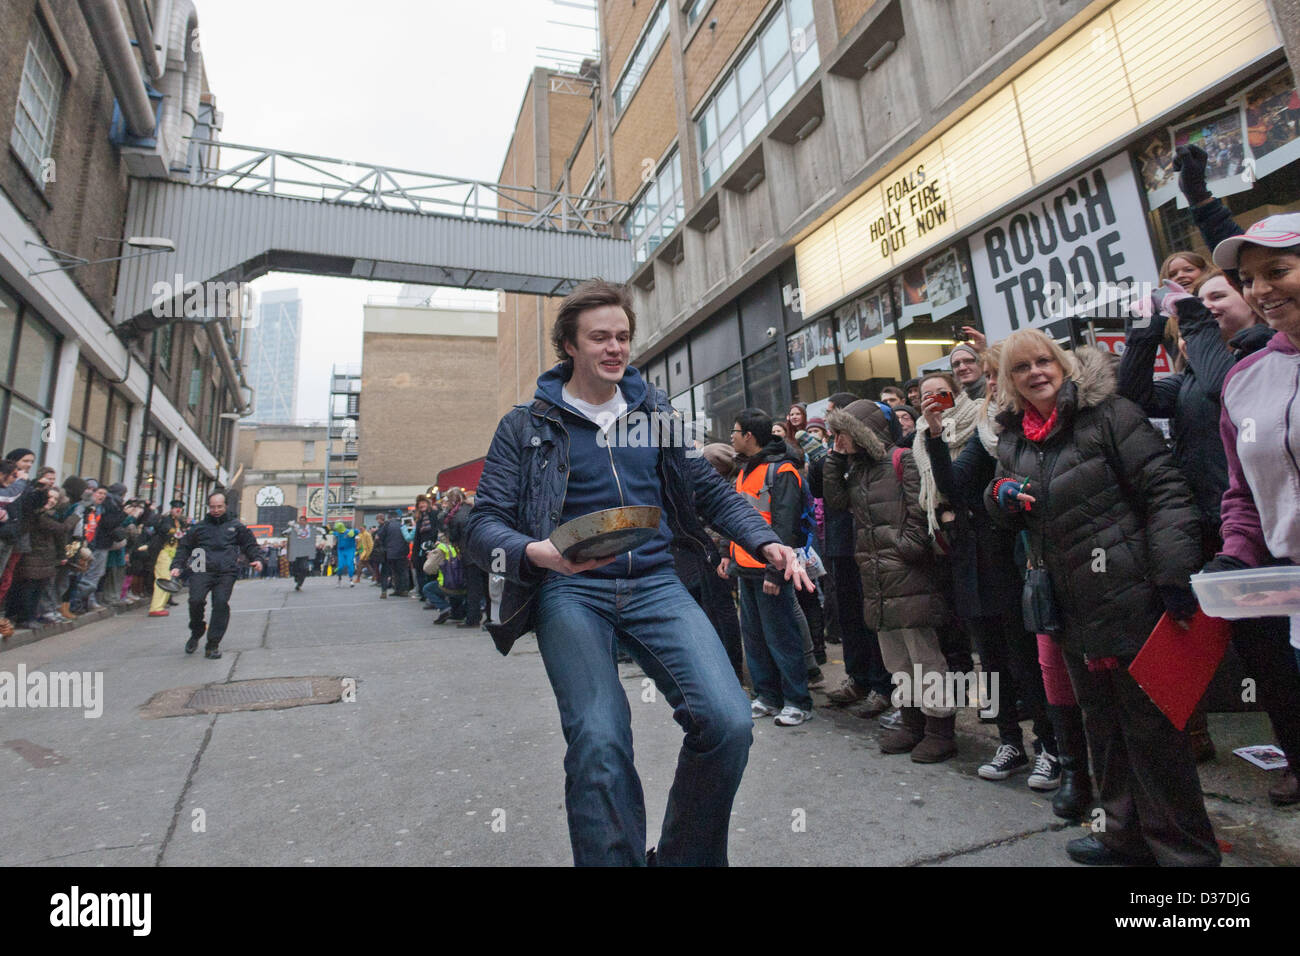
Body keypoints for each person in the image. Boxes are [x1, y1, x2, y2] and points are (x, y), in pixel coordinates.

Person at [465, 278, 810, 866]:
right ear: (569, 346)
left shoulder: (656, 413)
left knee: (727, 723)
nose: (614, 347)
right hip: (570, 591)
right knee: (599, 739)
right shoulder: (524, 426)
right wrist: (537, 552)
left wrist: (765, 537)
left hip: (656, 585)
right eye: (599, 337)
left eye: (622, 336)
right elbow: (481, 526)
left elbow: (707, 489)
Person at [987, 330, 1218, 866]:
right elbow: (1004, 501)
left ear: (1063, 364)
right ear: (1010, 382)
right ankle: (1124, 836)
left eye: (1045, 360)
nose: (1036, 372)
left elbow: (1166, 489)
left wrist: (1171, 574)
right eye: (1022, 368)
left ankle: (1186, 858)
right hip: (1070, 607)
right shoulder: (1015, 439)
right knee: (1103, 728)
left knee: (1154, 735)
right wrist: (998, 496)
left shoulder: (1109, 414)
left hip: (1132, 596)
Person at [920, 349, 1063, 795]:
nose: (996, 387)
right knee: (993, 661)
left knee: (1026, 660)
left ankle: (1050, 748)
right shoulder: (982, 432)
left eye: (998, 378)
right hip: (974, 560)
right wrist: (937, 438)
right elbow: (954, 487)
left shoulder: (1021, 429)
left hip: (1015, 558)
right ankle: (1009, 742)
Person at [1207, 214, 1300, 807]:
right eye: (1249, 279)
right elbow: (1243, 491)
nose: (1261, 290)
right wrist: (1232, 555)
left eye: (1278, 271)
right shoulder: (1245, 378)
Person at [823, 399, 956, 761]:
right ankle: (912, 723)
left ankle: (940, 729)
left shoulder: (903, 459)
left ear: (863, 432)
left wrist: (906, 549)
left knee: (924, 655)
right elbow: (835, 502)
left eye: (843, 433)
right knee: (895, 657)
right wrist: (835, 459)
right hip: (876, 576)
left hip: (907, 572)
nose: (838, 440)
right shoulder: (857, 469)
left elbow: (919, 507)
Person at [724, 407, 815, 727]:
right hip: (745, 567)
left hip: (769, 570)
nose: (731, 438)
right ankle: (766, 695)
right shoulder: (744, 469)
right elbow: (735, 516)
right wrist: (727, 553)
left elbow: (786, 526)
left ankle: (797, 701)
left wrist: (776, 572)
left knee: (782, 637)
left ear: (749, 436)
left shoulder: (782, 471)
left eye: (734, 432)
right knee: (756, 638)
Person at [170, 492, 263, 659]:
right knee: (195, 601)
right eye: (212, 507)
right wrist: (177, 566)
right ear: (208, 507)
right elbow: (184, 547)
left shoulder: (236, 526)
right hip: (201, 569)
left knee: (220, 604)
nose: (216, 510)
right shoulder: (199, 527)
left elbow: (249, 545)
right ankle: (197, 630)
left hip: (226, 571)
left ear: (225, 506)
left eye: (219, 506)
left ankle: (213, 644)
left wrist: (256, 559)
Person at [146, 500, 188, 617]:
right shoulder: (166, 520)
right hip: (163, 552)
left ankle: (160, 605)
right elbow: (165, 529)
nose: (177, 510)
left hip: (172, 552)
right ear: (171, 509)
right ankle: (156, 607)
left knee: (167, 578)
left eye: (179, 509)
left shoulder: (179, 521)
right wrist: (177, 532)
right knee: (163, 578)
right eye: (175, 508)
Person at [422, 532, 467, 623]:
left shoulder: (441, 549)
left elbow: (428, 569)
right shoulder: (460, 546)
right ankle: (458, 613)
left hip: (448, 586)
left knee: (427, 589)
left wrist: (430, 557)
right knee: (456, 592)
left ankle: (444, 608)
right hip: (464, 586)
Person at [284, 516, 317, 591]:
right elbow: (285, 532)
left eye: (303, 520)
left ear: (306, 521)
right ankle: (296, 578)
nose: (302, 522)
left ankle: (299, 584)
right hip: (296, 552)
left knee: (304, 568)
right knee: (295, 568)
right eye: (300, 520)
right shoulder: (294, 528)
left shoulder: (309, 529)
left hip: (305, 552)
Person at [332, 520, 358, 587]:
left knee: (350, 564)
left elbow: (357, 531)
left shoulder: (349, 532)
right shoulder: (338, 533)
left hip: (350, 550)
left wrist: (354, 531)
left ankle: (351, 580)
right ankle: (339, 579)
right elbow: (333, 533)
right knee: (340, 566)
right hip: (341, 550)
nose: (338, 531)